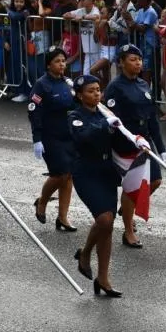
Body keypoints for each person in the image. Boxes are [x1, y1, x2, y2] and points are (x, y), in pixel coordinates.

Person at [105, 44, 165, 248]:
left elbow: (152, 118)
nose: (137, 63)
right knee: (133, 188)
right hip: (127, 144)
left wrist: (161, 147)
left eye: (139, 59)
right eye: (132, 59)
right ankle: (128, 230)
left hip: (145, 142)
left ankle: (128, 207)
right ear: (121, 63)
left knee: (156, 181)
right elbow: (113, 120)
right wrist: (127, 139)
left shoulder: (143, 84)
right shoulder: (115, 87)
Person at [68, 74, 123, 297]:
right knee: (104, 219)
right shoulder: (74, 116)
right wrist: (106, 125)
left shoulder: (105, 113)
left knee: (107, 226)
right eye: (91, 91)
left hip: (106, 171)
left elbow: (118, 138)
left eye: (98, 90)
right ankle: (85, 253)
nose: (96, 94)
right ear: (80, 96)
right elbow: (84, 137)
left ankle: (103, 278)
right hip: (86, 173)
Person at [29, 47, 78, 232]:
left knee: (68, 176)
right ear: (49, 64)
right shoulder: (42, 85)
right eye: (58, 61)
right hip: (50, 137)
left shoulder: (68, 83)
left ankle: (63, 217)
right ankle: (42, 201)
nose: (62, 64)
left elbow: (77, 105)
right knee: (60, 174)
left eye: (64, 61)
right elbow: (34, 111)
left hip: (69, 135)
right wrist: (37, 139)